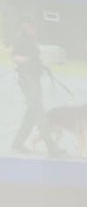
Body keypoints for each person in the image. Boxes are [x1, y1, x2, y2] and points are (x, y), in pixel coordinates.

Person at [11, 14, 61, 156]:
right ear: (25, 25)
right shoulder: (21, 38)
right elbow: (15, 56)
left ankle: (17, 143)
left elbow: (33, 56)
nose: (34, 29)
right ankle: (51, 146)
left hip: (34, 78)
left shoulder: (31, 38)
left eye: (35, 26)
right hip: (28, 79)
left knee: (32, 113)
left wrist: (38, 64)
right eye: (32, 26)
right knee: (39, 112)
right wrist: (27, 60)